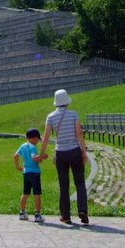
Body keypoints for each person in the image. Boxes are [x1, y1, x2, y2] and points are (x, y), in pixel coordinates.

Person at [38, 89, 89, 225]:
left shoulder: (50, 117)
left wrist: (41, 154)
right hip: (74, 151)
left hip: (61, 152)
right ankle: (83, 210)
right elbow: (79, 133)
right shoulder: (73, 114)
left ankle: (65, 216)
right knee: (80, 182)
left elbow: (46, 137)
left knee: (64, 185)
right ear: (66, 101)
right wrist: (83, 151)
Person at [13, 128, 45, 223]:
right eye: (37, 140)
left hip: (26, 172)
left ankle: (22, 213)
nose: (37, 142)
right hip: (35, 173)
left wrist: (18, 166)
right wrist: (43, 156)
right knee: (37, 194)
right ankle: (37, 214)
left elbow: (15, 156)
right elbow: (34, 158)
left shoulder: (22, 146)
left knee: (25, 193)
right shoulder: (32, 147)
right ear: (34, 138)